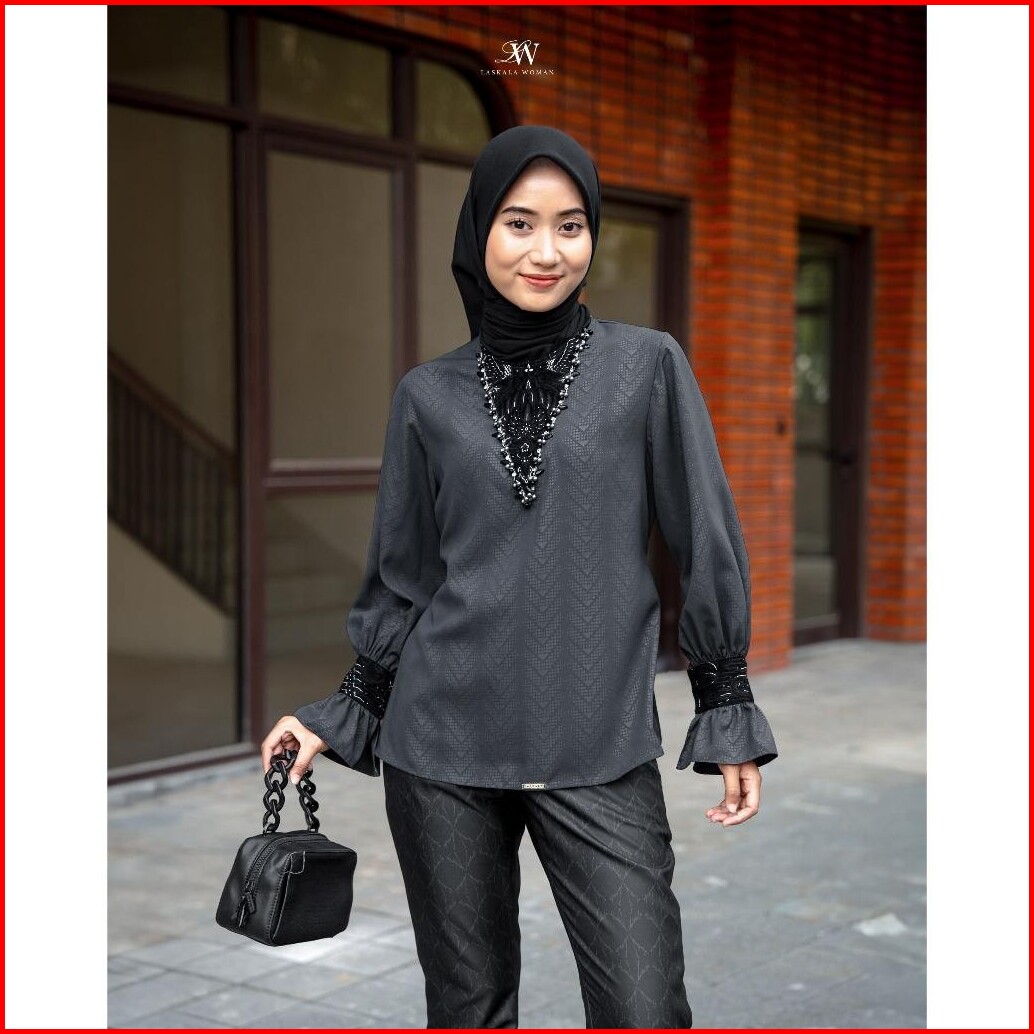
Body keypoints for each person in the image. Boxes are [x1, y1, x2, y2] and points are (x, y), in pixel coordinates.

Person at [261, 124, 779, 1029]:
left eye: (570, 226)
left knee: (645, 1007)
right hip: (442, 750)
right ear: (480, 232)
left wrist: (724, 700)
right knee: (469, 1009)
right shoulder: (427, 395)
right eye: (520, 223)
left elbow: (704, 537)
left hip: (598, 744)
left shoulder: (647, 366)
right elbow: (404, 577)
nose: (547, 251)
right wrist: (341, 711)